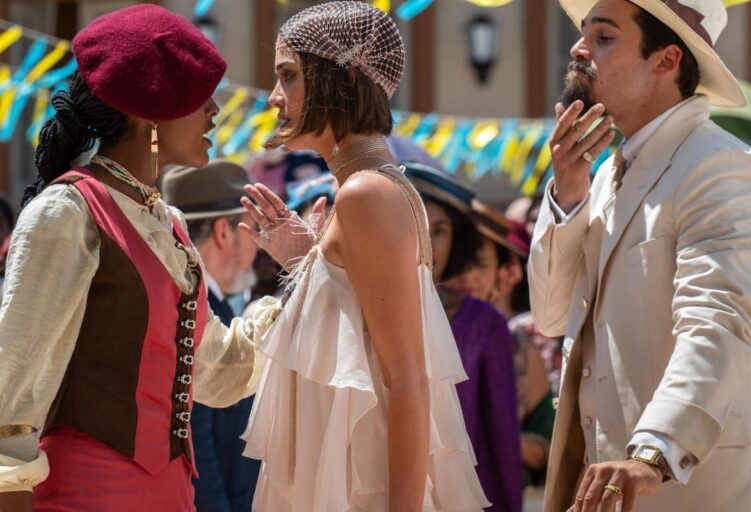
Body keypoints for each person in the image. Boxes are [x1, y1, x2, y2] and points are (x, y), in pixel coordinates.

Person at [0, 6, 313, 510]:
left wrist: (304, 276)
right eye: (197, 96)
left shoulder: (166, 221)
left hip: (169, 492)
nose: (214, 110)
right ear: (148, 112)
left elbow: (214, 371)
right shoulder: (67, 212)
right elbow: (10, 387)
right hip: (85, 494)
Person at [238, 3, 489, 510]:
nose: (272, 98)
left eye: (289, 76)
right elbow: (356, 330)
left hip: (361, 485)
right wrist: (306, 258)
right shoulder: (361, 188)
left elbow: (406, 378)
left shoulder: (366, 194)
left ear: (344, 81)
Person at [531, 0, 751, 511]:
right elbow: (550, 315)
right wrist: (567, 194)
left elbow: (719, 320)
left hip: (687, 491)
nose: (578, 48)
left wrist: (654, 451)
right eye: (583, 33)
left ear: (666, 61)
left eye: (604, 36)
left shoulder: (721, 164)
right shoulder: (607, 174)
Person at [405, 162, 524, 511]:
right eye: (416, 226)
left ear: (457, 238)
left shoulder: (485, 322)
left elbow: (502, 437)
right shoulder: (358, 313)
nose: (427, 242)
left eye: (439, 230)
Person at [161, 161, 261, 512]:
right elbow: (197, 452)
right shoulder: (198, 313)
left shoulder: (205, 306)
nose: (257, 249)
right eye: (253, 230)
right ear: (223, 232)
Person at [445, 200, 556, 487]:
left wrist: (499, 441)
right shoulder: (416, 336)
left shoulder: (518, 348)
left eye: (480, 264)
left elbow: (549, 446)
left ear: (501, 274)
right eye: (457, 262)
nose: (467, 275)